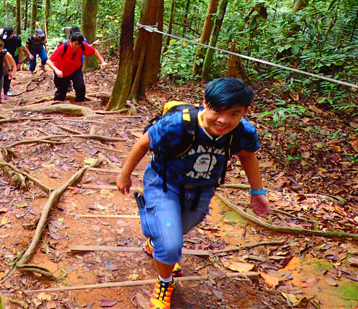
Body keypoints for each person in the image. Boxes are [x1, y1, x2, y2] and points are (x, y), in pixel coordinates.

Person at [116, 78, 271, 309]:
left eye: (233, 114)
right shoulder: (178, 124)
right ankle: (164, 282)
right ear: (204, 103)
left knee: (179, 229)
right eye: (217, 111)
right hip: (163, 183)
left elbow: (248, 155)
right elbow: (143, 144)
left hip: (202, 189)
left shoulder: (243, 132)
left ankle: (154, 242)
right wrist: (124, 174)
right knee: (170, 244)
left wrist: (257, 191)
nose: (223, 120)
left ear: (245, 112)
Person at [45, 32, 107, 102]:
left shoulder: (83, 46)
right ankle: (58, 106)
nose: (78, 46)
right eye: (76, 44)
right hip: (62, 72)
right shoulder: (63, 47)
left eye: (79, 44)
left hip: (75, 69)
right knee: (61, 92)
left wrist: (102, 61)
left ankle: (80, 103)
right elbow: (48, 61)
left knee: (80, 87)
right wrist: (56, 70)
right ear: (71, 41)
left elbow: (94, 50)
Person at [0, 27, 30, 96]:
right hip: (1, 56)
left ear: (12, 34)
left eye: (8, 36)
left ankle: (7, 88)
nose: (6, 37)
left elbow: (20, 51)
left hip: (11, 57)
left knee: (8, 72)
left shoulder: (16, 39)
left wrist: (19, 62)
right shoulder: (0, 38)